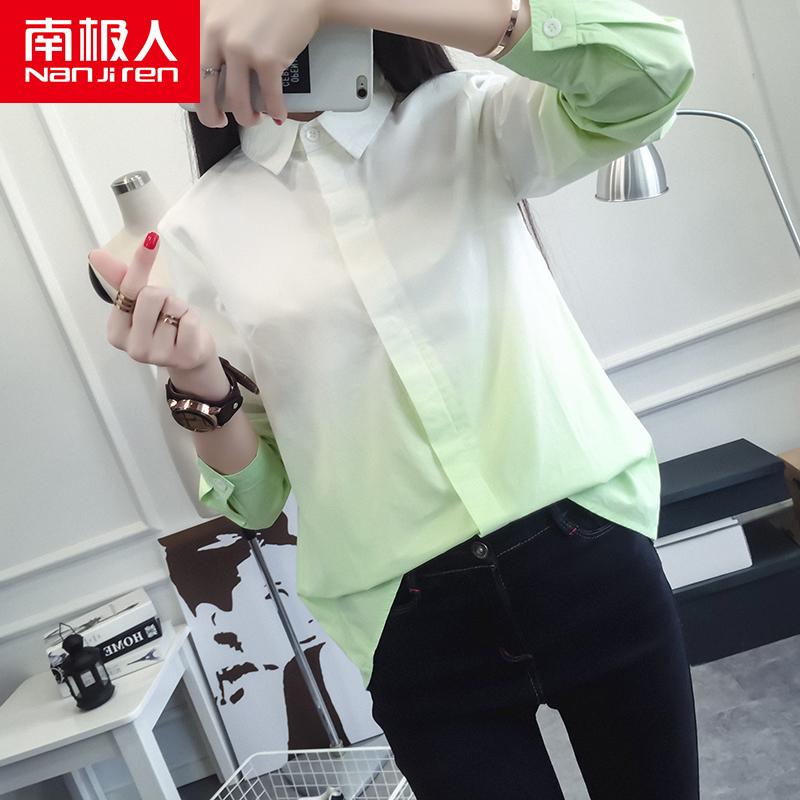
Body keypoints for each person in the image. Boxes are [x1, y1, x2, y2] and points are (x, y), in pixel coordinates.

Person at [90, 0, 699, 797]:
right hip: (410, 625)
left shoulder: (468, 118)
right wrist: (198, 379)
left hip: (586, 550)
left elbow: (651, 67)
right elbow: (255, 499)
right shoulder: (196, 232)